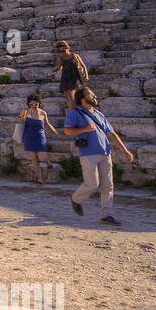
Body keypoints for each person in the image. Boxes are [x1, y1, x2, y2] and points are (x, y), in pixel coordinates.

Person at [64, 86, 135, 225]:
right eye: (91, 95)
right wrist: (84, 129)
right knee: (92, 184)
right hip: (88, 153)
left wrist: (125, 150)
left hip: (105, 152)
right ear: (83, 100)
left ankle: (106, 215)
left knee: (108, 186)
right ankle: (76, 199)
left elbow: (112, 133)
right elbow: (67, 131)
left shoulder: (99, 114)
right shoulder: (75, 114)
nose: (95, 96)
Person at [17, 94, 60, 184]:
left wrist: (56, 133)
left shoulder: (43, 113)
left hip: (40, 136)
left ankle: (49, 164)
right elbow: (21, 122)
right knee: (34, 159)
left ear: (39, 103)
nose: (33, 106)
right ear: (29, 104)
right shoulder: (25, 112)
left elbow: (48, 124)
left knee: (42, 156)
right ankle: (40, 179)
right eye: (31, 104)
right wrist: (21, 118)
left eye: (35, 104)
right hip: (29, 137)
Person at [50, 40, 88, 110]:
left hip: (74, 78)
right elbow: (58, 68)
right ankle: (74, 111)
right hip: (65, 78)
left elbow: (83, 66)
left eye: (63, 51)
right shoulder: (60, 58)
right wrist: (51, 73)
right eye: (60, 51)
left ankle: (73, 112)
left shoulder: (75, 56)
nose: (62, 53)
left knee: (71, 94)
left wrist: (86, 75)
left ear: (67, 48)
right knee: (68, 97)